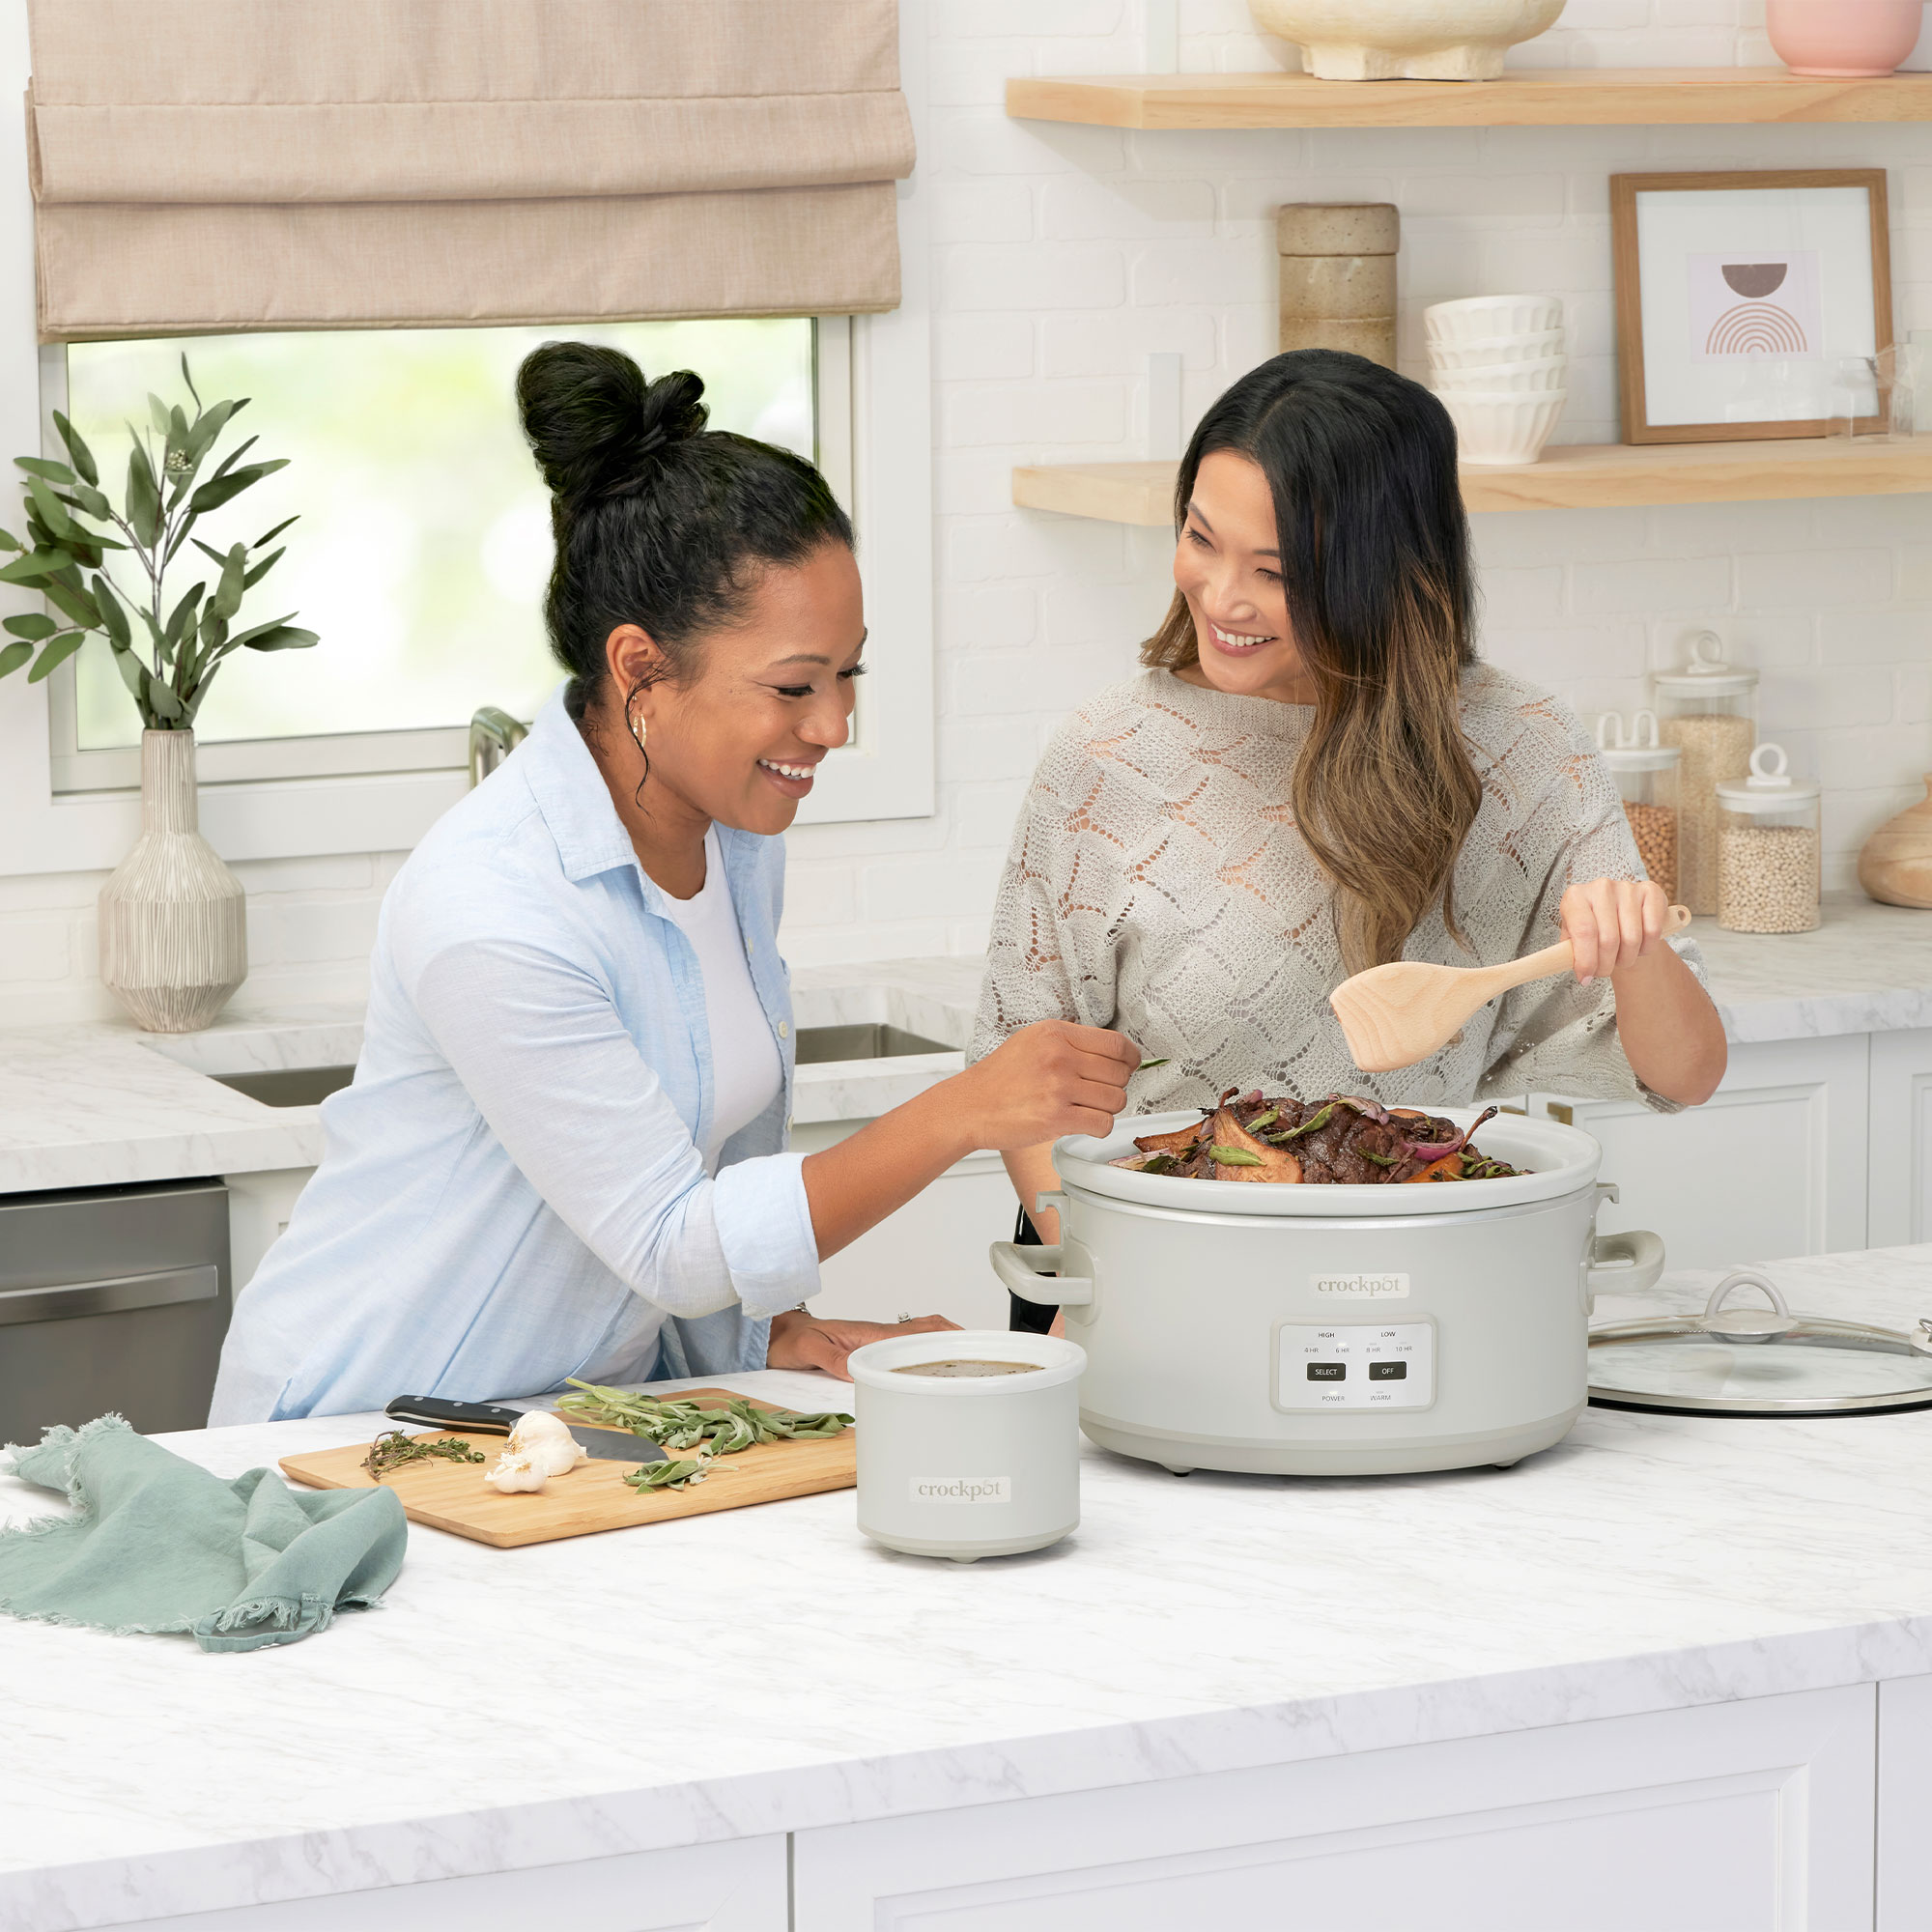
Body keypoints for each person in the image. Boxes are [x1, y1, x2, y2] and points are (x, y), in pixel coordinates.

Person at [212, 344, 1137, 1423]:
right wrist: (962, 1112)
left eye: (848, 674)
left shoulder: (735, 835)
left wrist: (765, 1329)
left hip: (561, 1423)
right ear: (640, 669)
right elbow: (670, 1243)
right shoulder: (493, 907)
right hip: (354, 1423)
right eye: (793, 686)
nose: (834, 726)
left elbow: (695, 1169)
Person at [971, 350, 1726, 1329]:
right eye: (1201, 538)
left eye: (1276, 572)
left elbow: (1685, 1073)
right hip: (1150, 1279)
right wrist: (1098, 1275)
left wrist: (1637, 948)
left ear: (1383, 573)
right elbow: (1022, 1072)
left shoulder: (1522, 747)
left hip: (1423, 1282)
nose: (1222, 596)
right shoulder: (1105, 756)